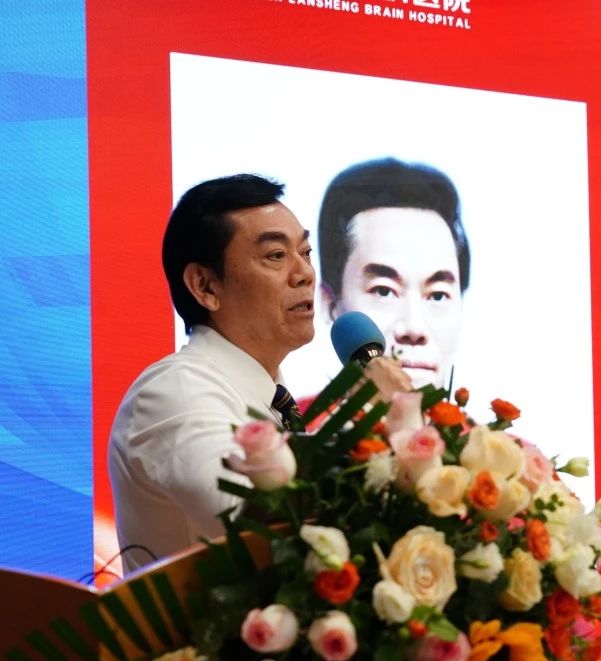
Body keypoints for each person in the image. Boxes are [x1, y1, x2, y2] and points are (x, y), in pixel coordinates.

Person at [109, 174, 406, 572]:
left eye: (305, 252)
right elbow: (260, 525)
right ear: (205, 285)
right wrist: (371, 420)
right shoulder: (174, 390)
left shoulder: (270, 398)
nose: (305, 273)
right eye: (276, 256)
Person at [317, 158, 470, 389]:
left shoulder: (495, 417)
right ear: (329, 303)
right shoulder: (280, 413)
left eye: (438, 295)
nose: (414, 329)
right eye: (384, 291)